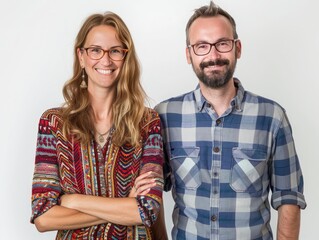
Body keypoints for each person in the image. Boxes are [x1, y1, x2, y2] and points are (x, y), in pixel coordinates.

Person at [155, 1, 306, 239]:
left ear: (238, 48)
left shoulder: (272, 117)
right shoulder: (164, 116)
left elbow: (288, 198)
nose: (213, 55)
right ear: (188, 55)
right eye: (202, 46)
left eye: (222, 44)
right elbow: (150, 195)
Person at [30, 11, 168, 239]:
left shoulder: (147, 122)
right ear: (81, 56)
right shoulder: (54, 123)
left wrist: (73, 200)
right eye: (95, 50)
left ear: (126, 58)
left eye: (115, 51)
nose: (105, 60)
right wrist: (125, 205)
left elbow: (147, 210)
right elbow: (43, 217)